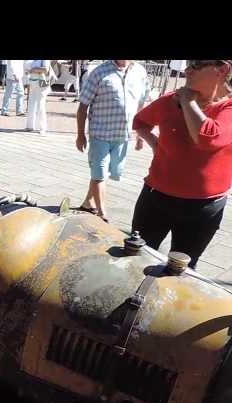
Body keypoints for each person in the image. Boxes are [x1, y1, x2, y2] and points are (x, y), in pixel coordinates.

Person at [131, 60, 232, 269]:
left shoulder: (228, 108)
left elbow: (208, 138)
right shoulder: (170, 101)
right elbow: (140, 122)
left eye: (195, 65)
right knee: (136, 257)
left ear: (222, 69)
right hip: (155, 198)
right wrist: (155, 144)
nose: (187, 70)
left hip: (203, 208)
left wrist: (188, 102)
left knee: (181, 270)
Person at [75, 60, 149, 222]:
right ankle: (102, 214)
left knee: (107, 172)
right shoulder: (99, 72)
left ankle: (88, 202)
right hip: (100, 133)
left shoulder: (140, 72)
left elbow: (141, 106)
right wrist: (81, 134)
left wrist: (140, 135)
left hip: (123, 135)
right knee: (99, 173)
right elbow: (82, 107)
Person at [26, 60, 56, 134]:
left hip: (42, 82)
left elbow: (45, 70)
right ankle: (30, 126)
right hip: (32, 81)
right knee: (31, 104)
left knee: (40, 105)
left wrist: (33, 70)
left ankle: (42, 127)